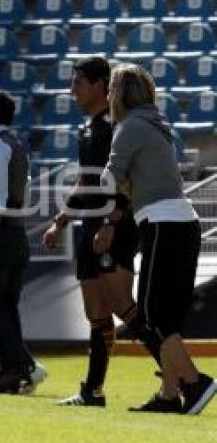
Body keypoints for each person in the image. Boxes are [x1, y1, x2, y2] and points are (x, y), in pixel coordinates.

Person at [43, 57, 162, 407]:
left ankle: (178, 374)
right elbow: (87, 181)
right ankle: (92, 391)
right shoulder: (90, 127)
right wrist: (61, 220)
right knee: (96, 311)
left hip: (115, 225)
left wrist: (112, 221)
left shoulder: (115, 126)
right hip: (91, 225)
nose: (72, 90)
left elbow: (124, 179)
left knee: (123, 305)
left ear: (99, 85)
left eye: (78, 82)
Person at [100, 64, 216, 414]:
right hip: (183, 222)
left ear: (119, 94)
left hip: (162, 224)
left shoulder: (129, 126)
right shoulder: (156, 123)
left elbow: (109, 179)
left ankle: (196, 383)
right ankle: (169, 394)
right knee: (168, 314)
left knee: (153, 313)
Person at [0, 90, 44, 394]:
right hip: (16, 233)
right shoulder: (17, 143)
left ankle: (23, 364)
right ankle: (14, 373)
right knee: (6, 306)